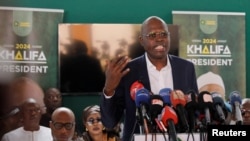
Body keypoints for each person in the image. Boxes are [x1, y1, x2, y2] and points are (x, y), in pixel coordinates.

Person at [100, 16, 198, 141]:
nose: (159, 38)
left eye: (163, 34)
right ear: (141, 40)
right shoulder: (128, 71)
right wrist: (109, 89)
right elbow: (109, 122)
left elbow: (194, 112)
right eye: (152, 35)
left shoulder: (186, 68)